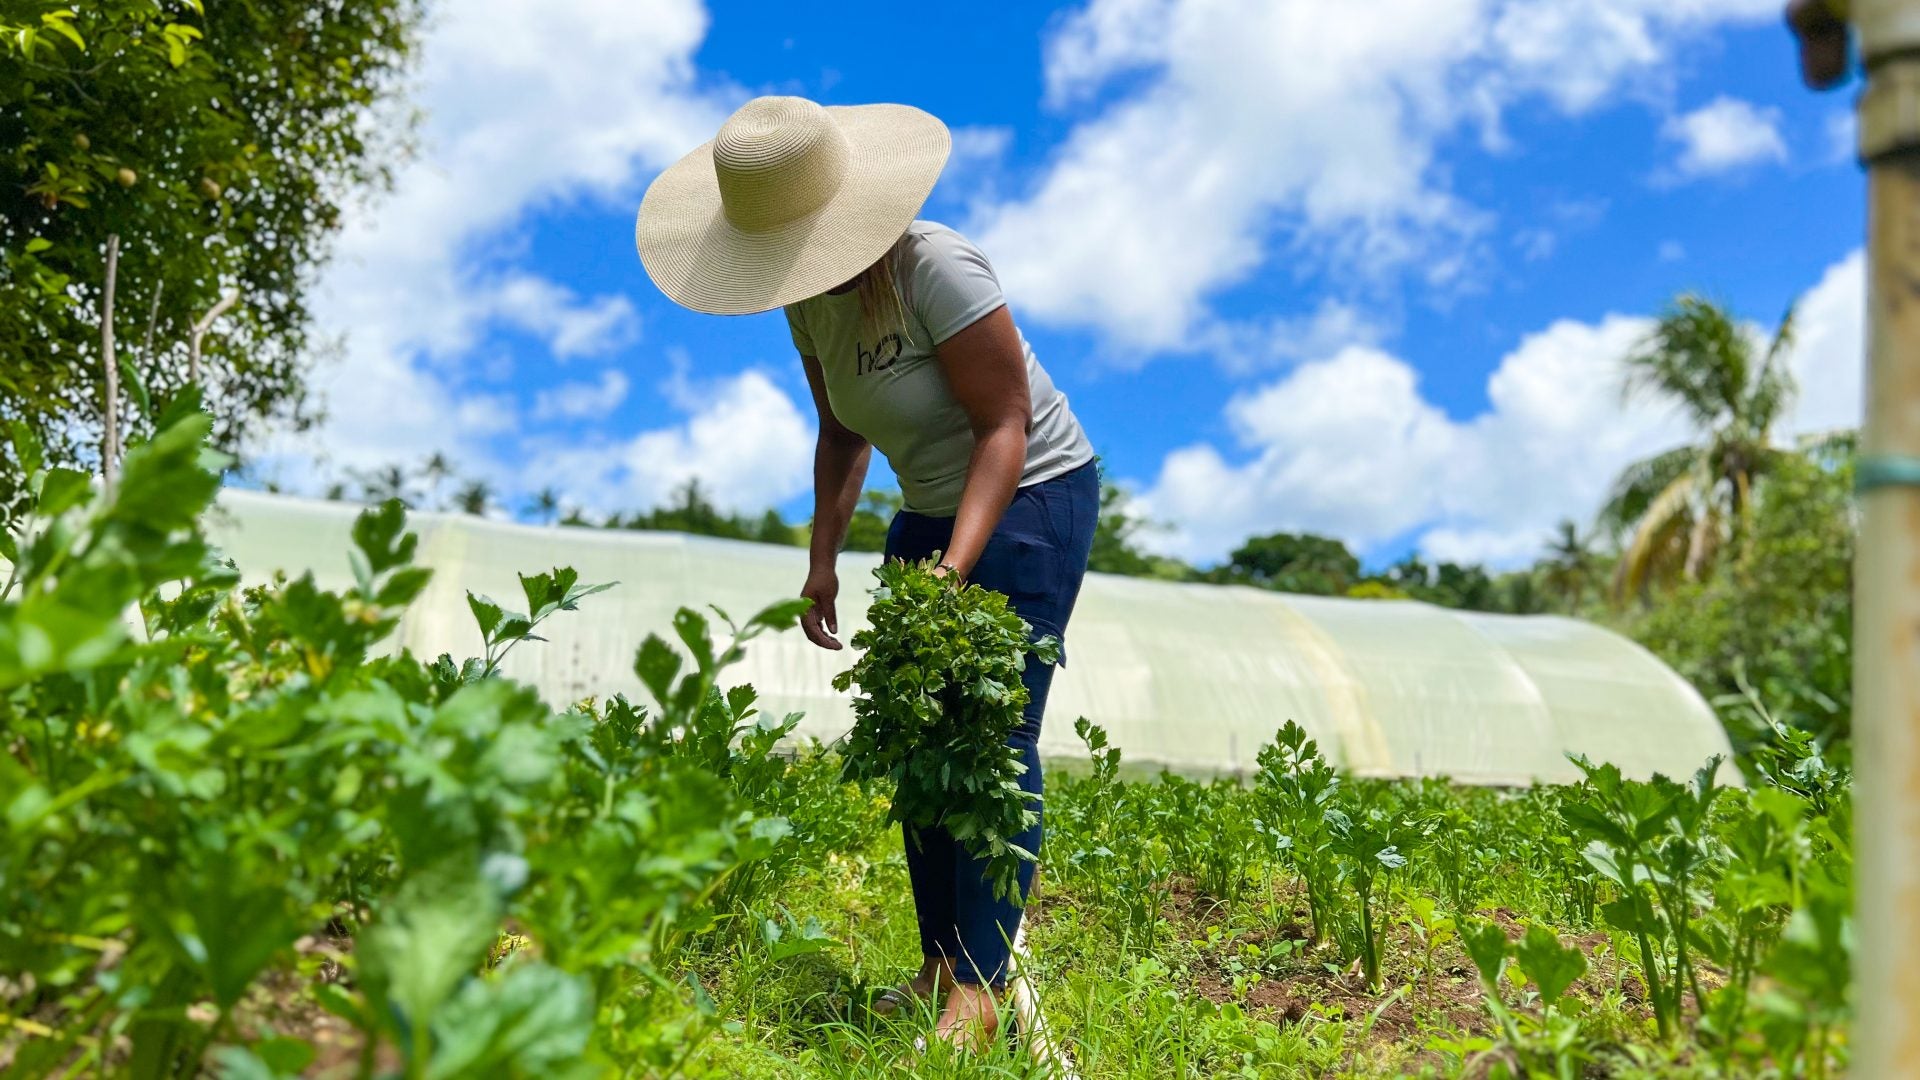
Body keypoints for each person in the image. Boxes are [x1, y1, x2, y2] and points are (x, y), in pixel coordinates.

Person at [634, 95, 1099, 1048]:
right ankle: (938, 966)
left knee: (993, 734)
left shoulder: (937, 265)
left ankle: (981, 986)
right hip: (926, 505)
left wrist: (954, 569)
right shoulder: (809, 299)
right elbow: (842, 430)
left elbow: (1003, 427)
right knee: (917, 740)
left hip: (1031, 494)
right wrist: (822, 561)